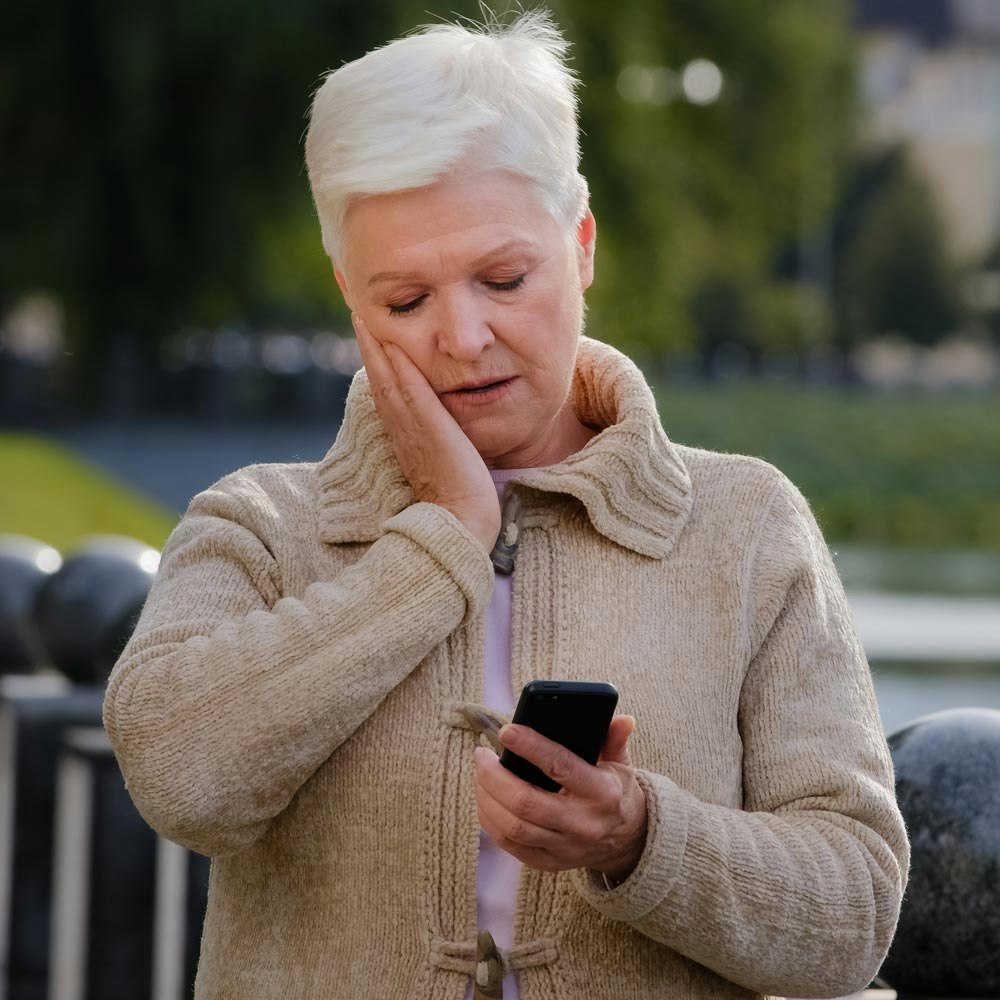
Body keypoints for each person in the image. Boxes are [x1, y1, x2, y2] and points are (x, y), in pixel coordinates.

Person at [102, 10, 910, 1000]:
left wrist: (639, 836)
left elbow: (854, 915)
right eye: (404, 301)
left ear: (580, 246)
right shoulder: (261, 526)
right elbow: (181, 780)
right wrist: (437, 541)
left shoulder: (744, 526)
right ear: (349, 298)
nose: (463, 336)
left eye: (503, 277)